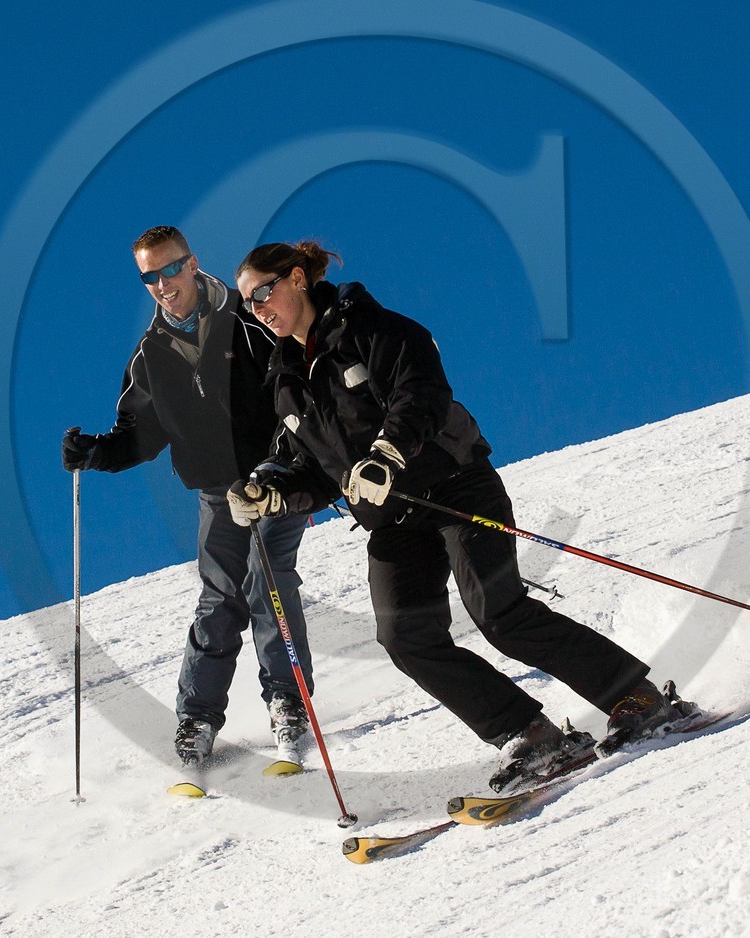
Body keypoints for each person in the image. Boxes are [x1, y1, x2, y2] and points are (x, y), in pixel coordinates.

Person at [225, 240, 698, 794]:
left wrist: (388, 452)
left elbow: (420, 391)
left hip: (453, 487)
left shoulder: (371, 329)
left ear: (298, 278)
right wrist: (273, 493)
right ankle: (527, 732)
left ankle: (635, 698)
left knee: (498, 611)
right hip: (394, 521)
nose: (259, 309)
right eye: (248, 305)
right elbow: (317, 468)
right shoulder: (285, 382)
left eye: (263, 292)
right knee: (405, 635)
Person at [62, 225, 316, 771]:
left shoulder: (249, 319)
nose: (162, 283)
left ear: (193, 264)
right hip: (218, 489)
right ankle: (197, 718)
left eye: (170, 269)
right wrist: (96, 453)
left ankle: (287, 702)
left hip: (277, 476)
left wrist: (287, 461)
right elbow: (140, 433)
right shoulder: (152, 352)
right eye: (149, 276)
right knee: (219, 594)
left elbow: (297, 379)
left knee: (266, 572)